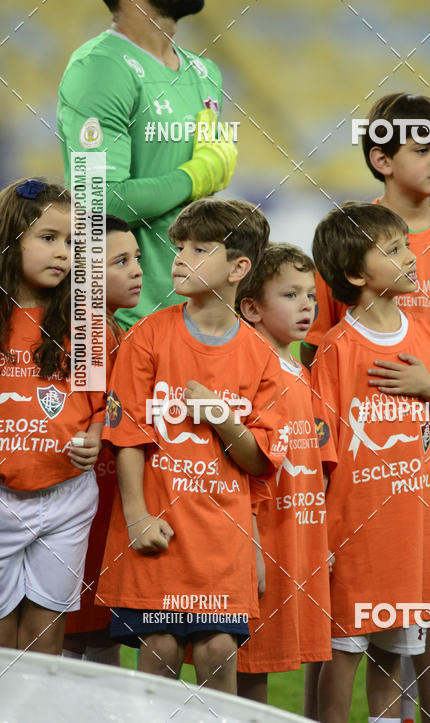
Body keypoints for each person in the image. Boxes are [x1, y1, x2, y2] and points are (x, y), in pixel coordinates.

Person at [301, 91, 430, 720]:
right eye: (422, 147)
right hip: (357, 490)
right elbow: (318, 363)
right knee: (341, 632)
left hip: (428, 476)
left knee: (423, 614)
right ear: (381, 158)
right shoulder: (349, 238)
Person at [95, 198, 290, 693]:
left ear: (238, 268)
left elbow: (259, 460)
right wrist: (137, 516)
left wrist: (224, 419)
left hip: (221, 539)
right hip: (156, 528)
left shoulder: (260, 357)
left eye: (200, 249)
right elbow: (128, 436)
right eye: (179, 246)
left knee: (218, 649)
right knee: (158, 645)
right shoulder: (148, 336)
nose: (180, 258)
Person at [57, 0, 237, 329]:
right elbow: (98, 202)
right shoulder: (100, 68)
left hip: (200, 316)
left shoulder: (204, 72)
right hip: (126, 321)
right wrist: (197, 176)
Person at [0, 178, 103, 655]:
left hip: (67, 496)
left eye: (71, 243)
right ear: (10, 239)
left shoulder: (87, 323)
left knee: (45, 643)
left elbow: (102, 406)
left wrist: (95, 437)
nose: (63, 253)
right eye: (48, 238)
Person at [235, 243, 334, 708]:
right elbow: (241, 468)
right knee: (247, 659)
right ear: (252, 308)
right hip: (263, 541)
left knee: (271, 658)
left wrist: (324, 541)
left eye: (310, 294)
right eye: (291, 294)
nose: (307, 305)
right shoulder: (248, 369)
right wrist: (250, 544)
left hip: (299, 537)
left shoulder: (301, 370)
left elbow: (317, 464)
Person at [63, 216, 142, 664]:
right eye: (120, 261)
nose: (137, 270)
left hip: (111, 499)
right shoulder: (79, 334)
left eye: (136, 259)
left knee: (101, 637)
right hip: (79, 502)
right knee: (67, 635)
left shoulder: (123, 331)